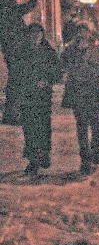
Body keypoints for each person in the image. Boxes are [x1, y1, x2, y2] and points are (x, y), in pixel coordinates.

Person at [61, 23, 99, 175]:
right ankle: (85, 158)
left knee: (97, 126)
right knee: (82, 127)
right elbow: (62, 67)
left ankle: (95, 149)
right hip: (78, 93)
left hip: (93, 93)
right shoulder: (69, 51)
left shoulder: (96, 51)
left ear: (89, 33)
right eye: (80, 31)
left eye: (85, 31)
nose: (82, 34)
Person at [14, 24, 61, 177]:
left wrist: (46, 81)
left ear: (42, 35)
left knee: (42, 126)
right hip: (27, 95)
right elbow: (17, 73)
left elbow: (57, 72)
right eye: (32, 34)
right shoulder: (22, 52)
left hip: (42, 97)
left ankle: (44, 152)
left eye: (38, 34)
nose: (35, 37)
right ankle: (33, 159)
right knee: (29, 128)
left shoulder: (48, 52)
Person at [0, 0, 39, 126]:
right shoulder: (6, 9)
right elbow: (24, 8)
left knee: (17, 81)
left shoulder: (6, 8)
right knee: (16, 82)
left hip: (15, 50)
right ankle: (12, 114)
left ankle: (13, 113)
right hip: (14, 51)